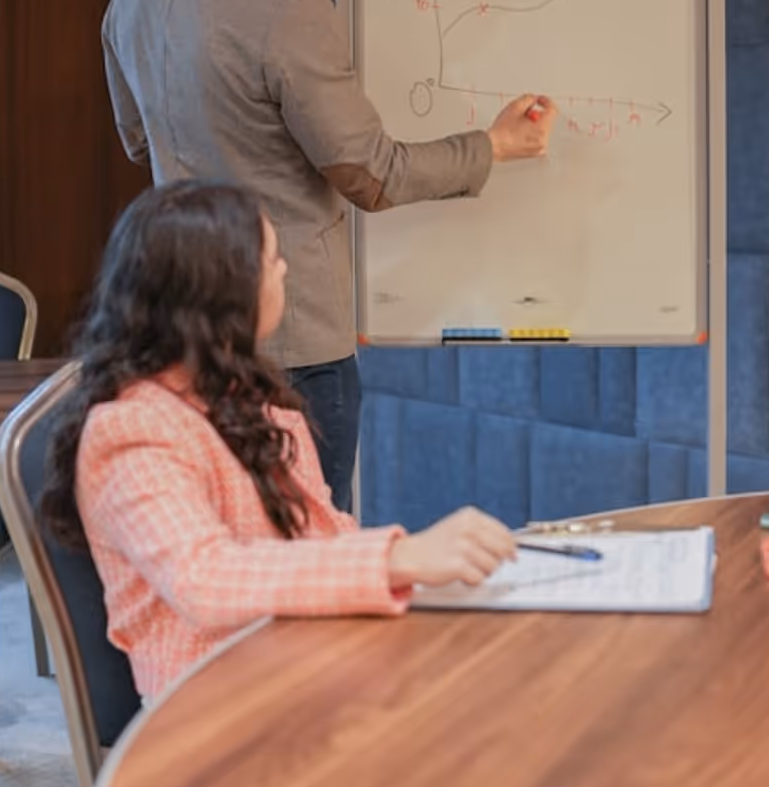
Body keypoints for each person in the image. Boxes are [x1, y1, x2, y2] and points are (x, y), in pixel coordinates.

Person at [101, 0, 557, 513]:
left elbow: (138, 139)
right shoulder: (289, 7)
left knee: (220, 536)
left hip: (182, 338)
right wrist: (495, 144)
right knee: (312, 547)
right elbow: (371, 175)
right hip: (292, 349)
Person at [40, 183, 517, 701]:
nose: (284, 269)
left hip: (301, 660)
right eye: (270, 259)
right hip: (213, 707)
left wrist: (423, 571)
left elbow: (323, 533)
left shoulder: (251, 398)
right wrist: (396, 558)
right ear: (219, 293)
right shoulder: (132, 429)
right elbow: (204, 579)